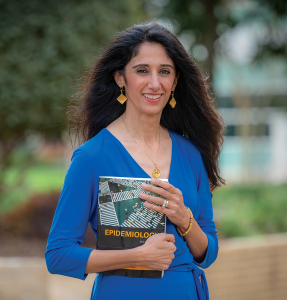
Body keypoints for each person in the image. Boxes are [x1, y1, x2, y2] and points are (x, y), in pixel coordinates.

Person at [45, 22, 225, 300]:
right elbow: (58, 255)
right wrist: (138, 256)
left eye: (164, 72)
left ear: (175, 81)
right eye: (142, 71)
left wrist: (185, 219)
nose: (155, 83)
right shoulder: (92, 157)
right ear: (120, 78)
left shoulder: (190, 153)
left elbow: (207, 253)